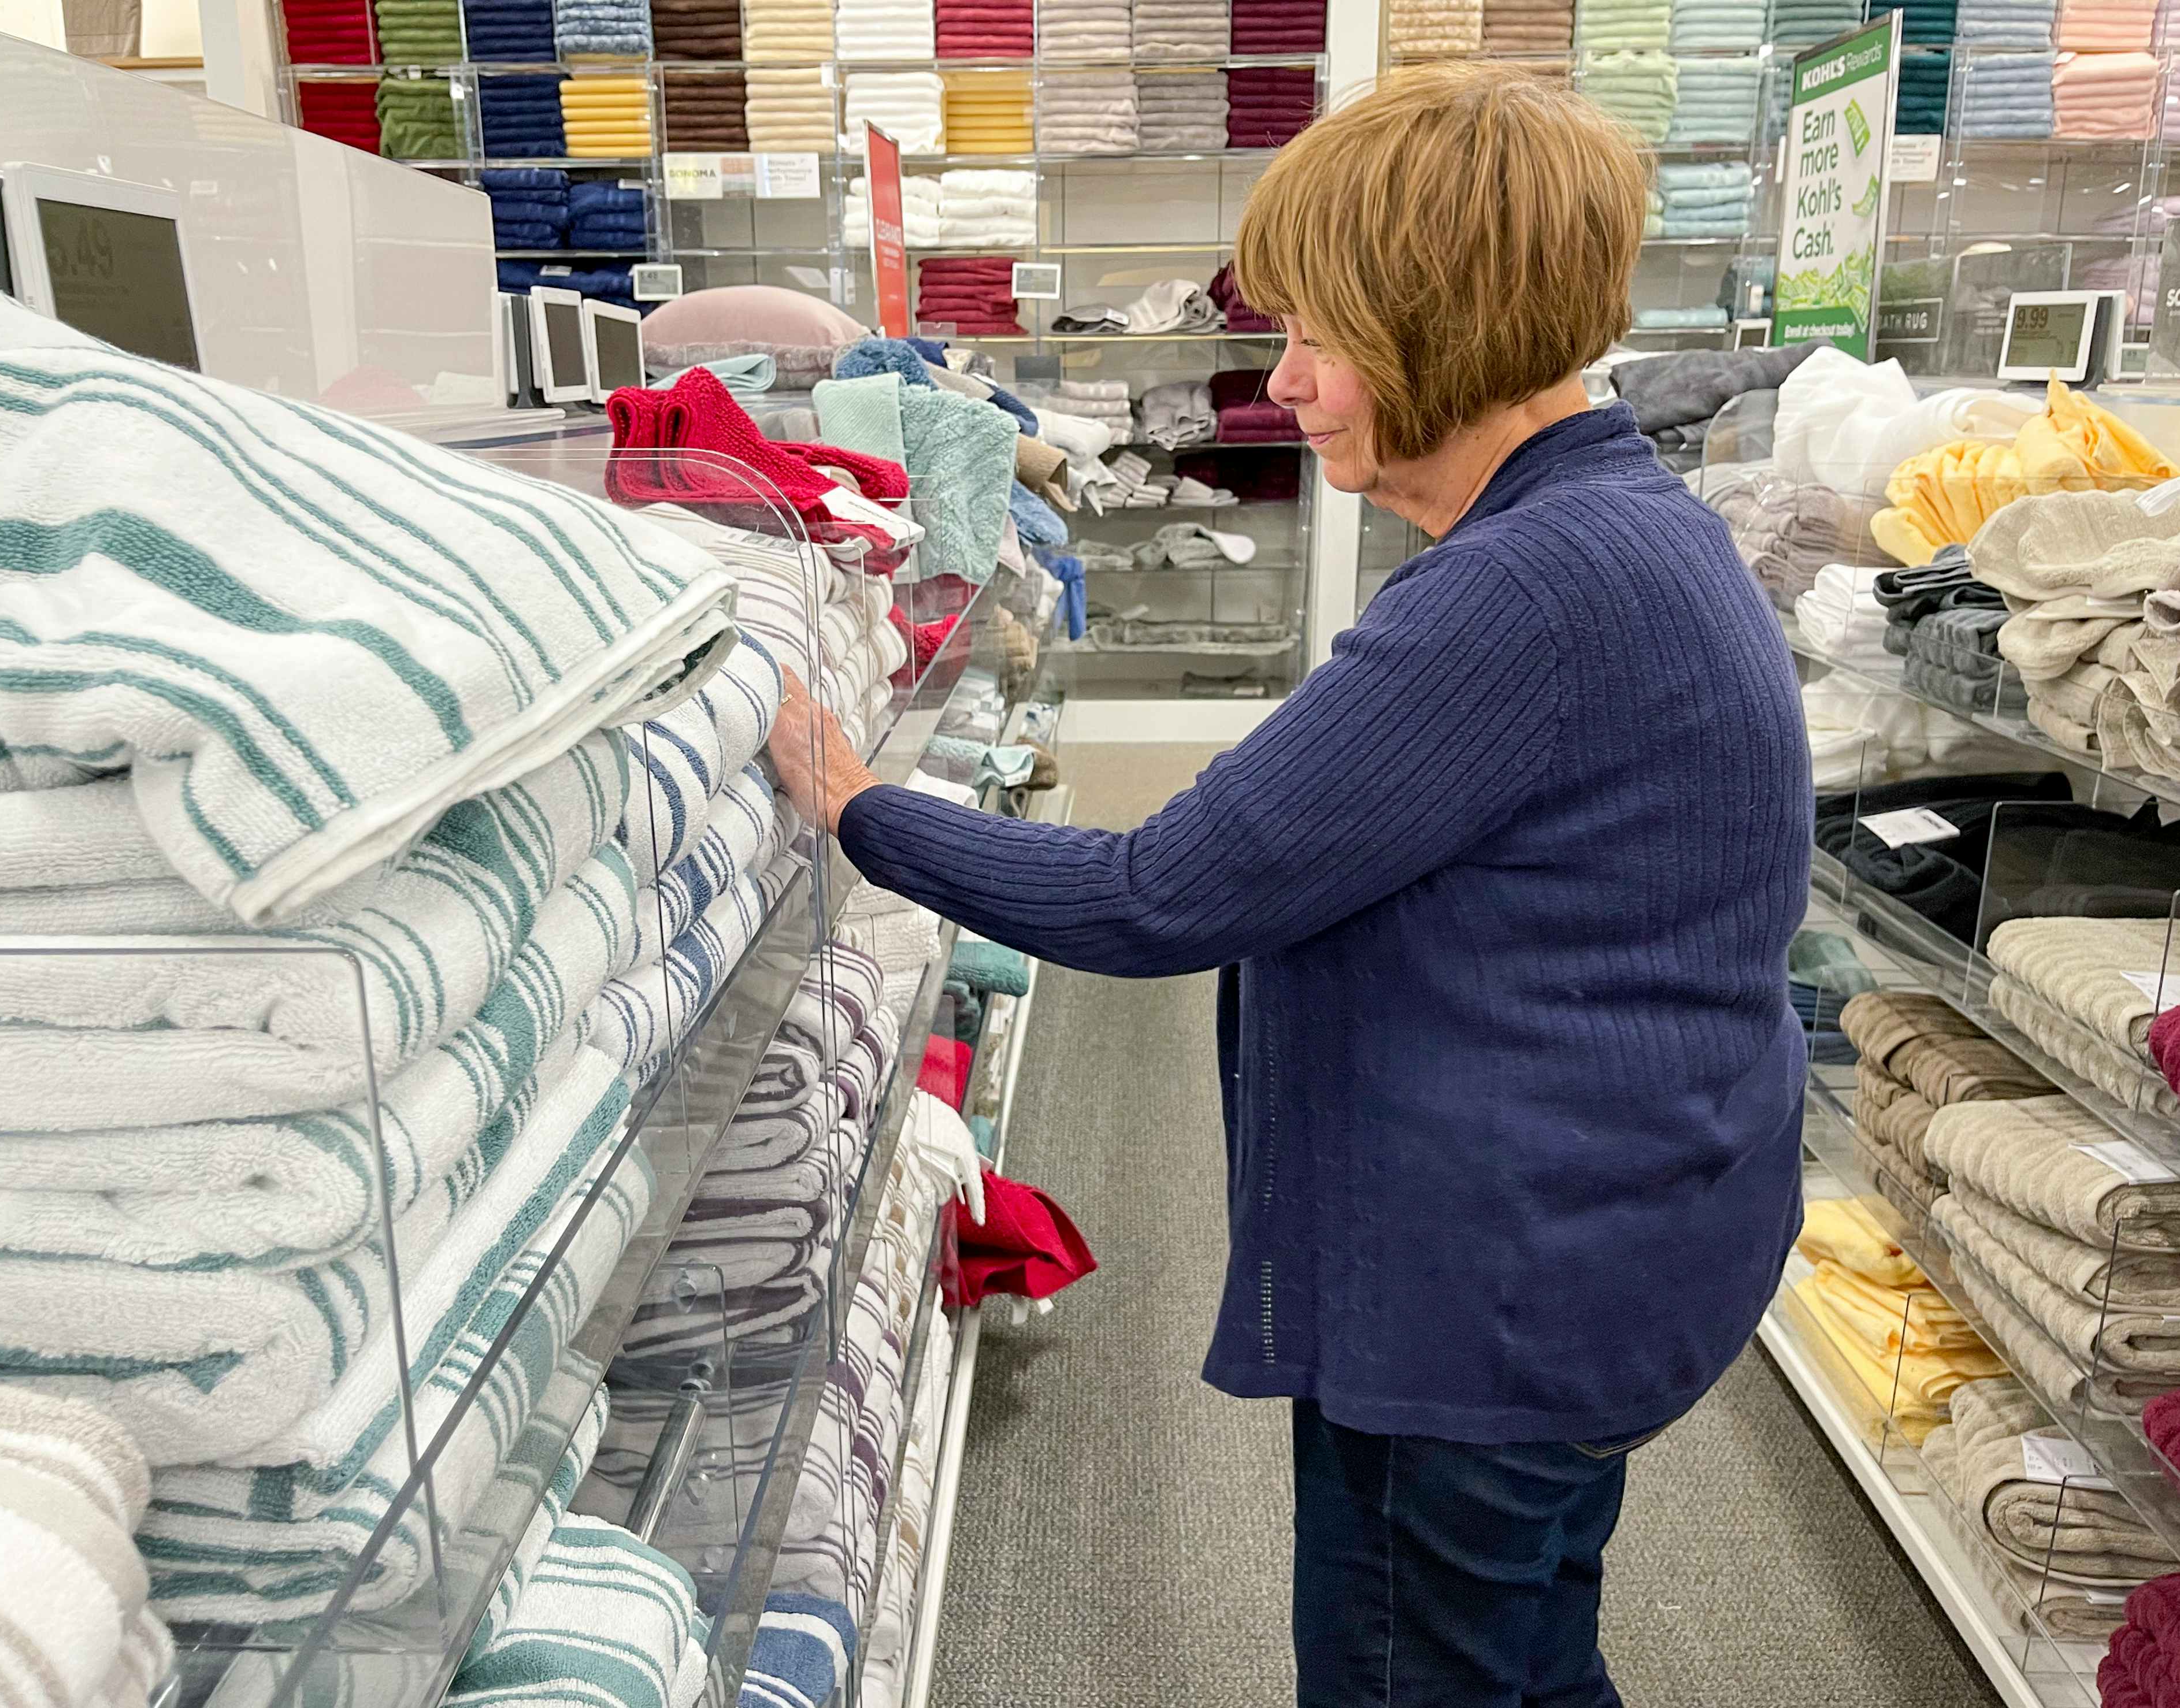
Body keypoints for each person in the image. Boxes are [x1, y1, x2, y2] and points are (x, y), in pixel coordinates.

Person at [770, 61, 1812, 1708]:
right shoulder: (1629, 530)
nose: (1287, 384)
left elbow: (1157, 892)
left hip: (1497, 1306)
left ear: (1441, 330)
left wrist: (854, 804)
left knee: (1422, 1668)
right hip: (1620, 1246)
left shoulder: (1518, 593)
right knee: (1532, 1643)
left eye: (1319, 334)